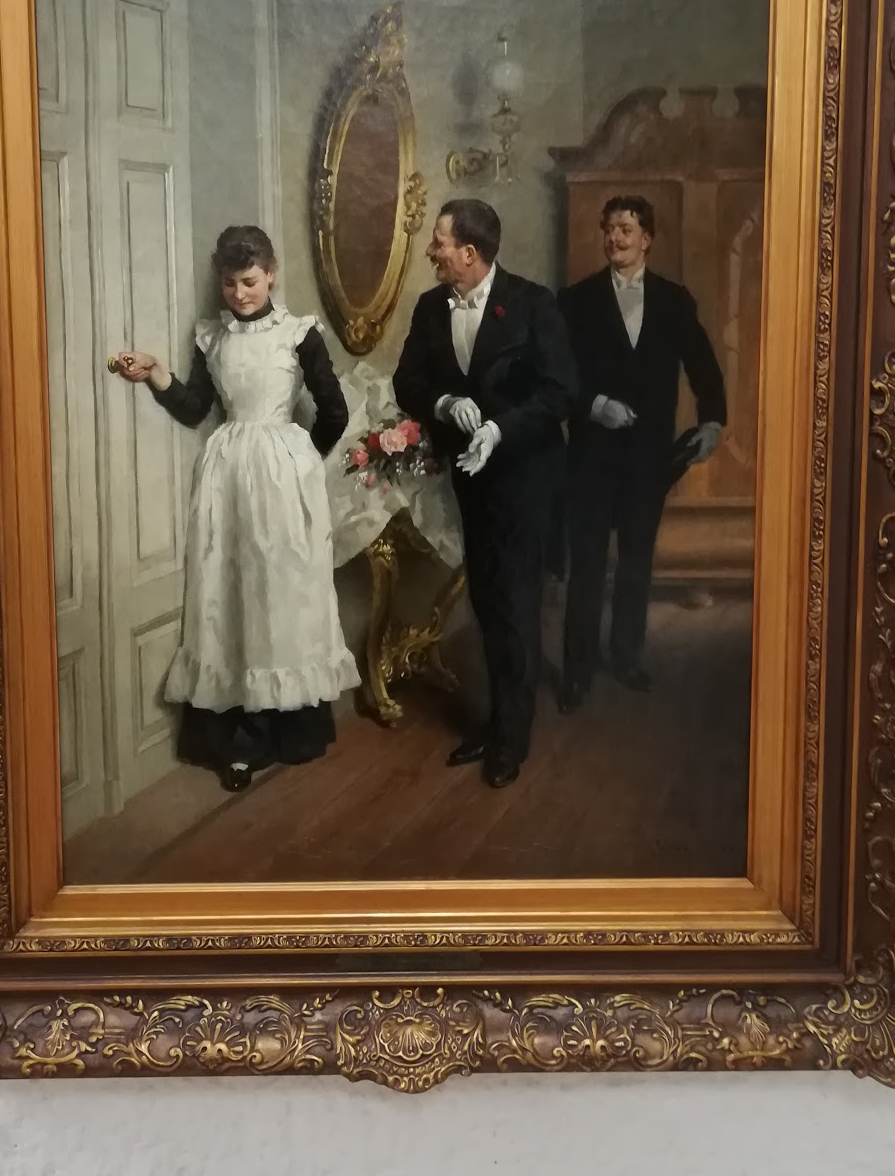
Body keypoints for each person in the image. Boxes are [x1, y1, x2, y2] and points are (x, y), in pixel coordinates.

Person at [113, 225, 358, 792]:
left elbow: (334, 411)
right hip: (226, 475)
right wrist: (155, 373)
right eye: (229, 284)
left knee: (283, 591)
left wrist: (299, 458)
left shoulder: (298, 334)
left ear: (271, 274)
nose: (240, 294)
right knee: (228, 591)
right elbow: (196, 407)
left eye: (249, 281)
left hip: (282, 476)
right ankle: (238, 738)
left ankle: (289, 728)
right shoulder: (213, 338)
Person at [392, 199, 577, 788]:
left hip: (527, 479)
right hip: (472, 481)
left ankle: (511, 741)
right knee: (489, 604)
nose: (431, 250)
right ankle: (497, 721)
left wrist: (499, 428)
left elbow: (561, 393)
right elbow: (406, 381)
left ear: (469, 253)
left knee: (517, 608)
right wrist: (445, 402)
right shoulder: (430, 307)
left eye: (439, 241)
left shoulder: (533, 304)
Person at [558, 194, 726, 706]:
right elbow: (558, 377)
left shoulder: (674, 300)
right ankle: (578, 668)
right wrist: (595, 406)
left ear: (647, 239)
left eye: (625, 229)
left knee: (636, 561)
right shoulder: (576, 300)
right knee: (588, 562)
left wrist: (713, 420)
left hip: (648, 458)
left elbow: (703, 366)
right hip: (590, 455)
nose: (615, 238)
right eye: (609, 229)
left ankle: (626, 657)